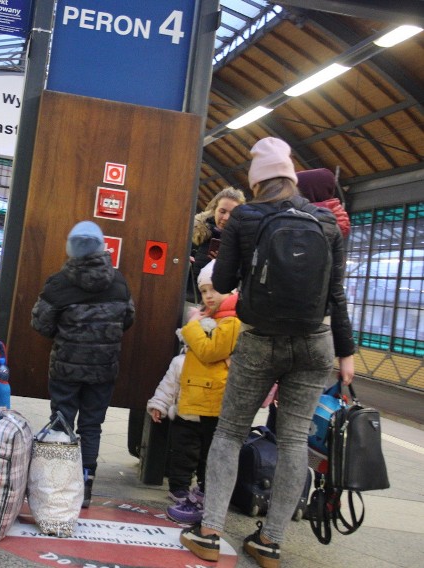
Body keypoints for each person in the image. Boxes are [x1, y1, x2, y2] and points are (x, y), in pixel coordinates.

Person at [179, 137, 355, 568]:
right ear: (291, 175)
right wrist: (345, 355)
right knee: (294, 441)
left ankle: (209, 532)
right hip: (316, 343)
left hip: (260, 340)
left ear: (257, 181)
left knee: (229, 432)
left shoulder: (246, 216)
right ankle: (271, 542)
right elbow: (336, 295)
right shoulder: (325, 221)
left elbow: (220, 279)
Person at [31, 221, 135, 508]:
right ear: (102, 247)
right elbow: (128, 319)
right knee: (93, 425)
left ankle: (59, 481)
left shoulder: (59, 283)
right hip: (104, 370)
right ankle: (86, 483)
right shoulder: (118, 281)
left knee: (62, 420)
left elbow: (40, 322)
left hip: (65, 368)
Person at [146, 260, 240, 524]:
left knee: (209, 455)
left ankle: (203, 499)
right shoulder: (210, 319)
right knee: (185, 452)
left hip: (214, 403)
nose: (208, 296)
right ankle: (187, 493)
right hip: (192, 402)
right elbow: (177, 372)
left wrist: (191, 328)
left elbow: (211, 351)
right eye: (204, 291)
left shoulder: (231, 321)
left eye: (214, 290)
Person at [189, 187, 245, 304]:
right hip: (194, 300)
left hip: (228, 305)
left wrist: (228, 262)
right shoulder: (196, 233)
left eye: (232, 213)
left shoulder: (244, 241)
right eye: (222, 211)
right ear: (214, 210)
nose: (226, 218)